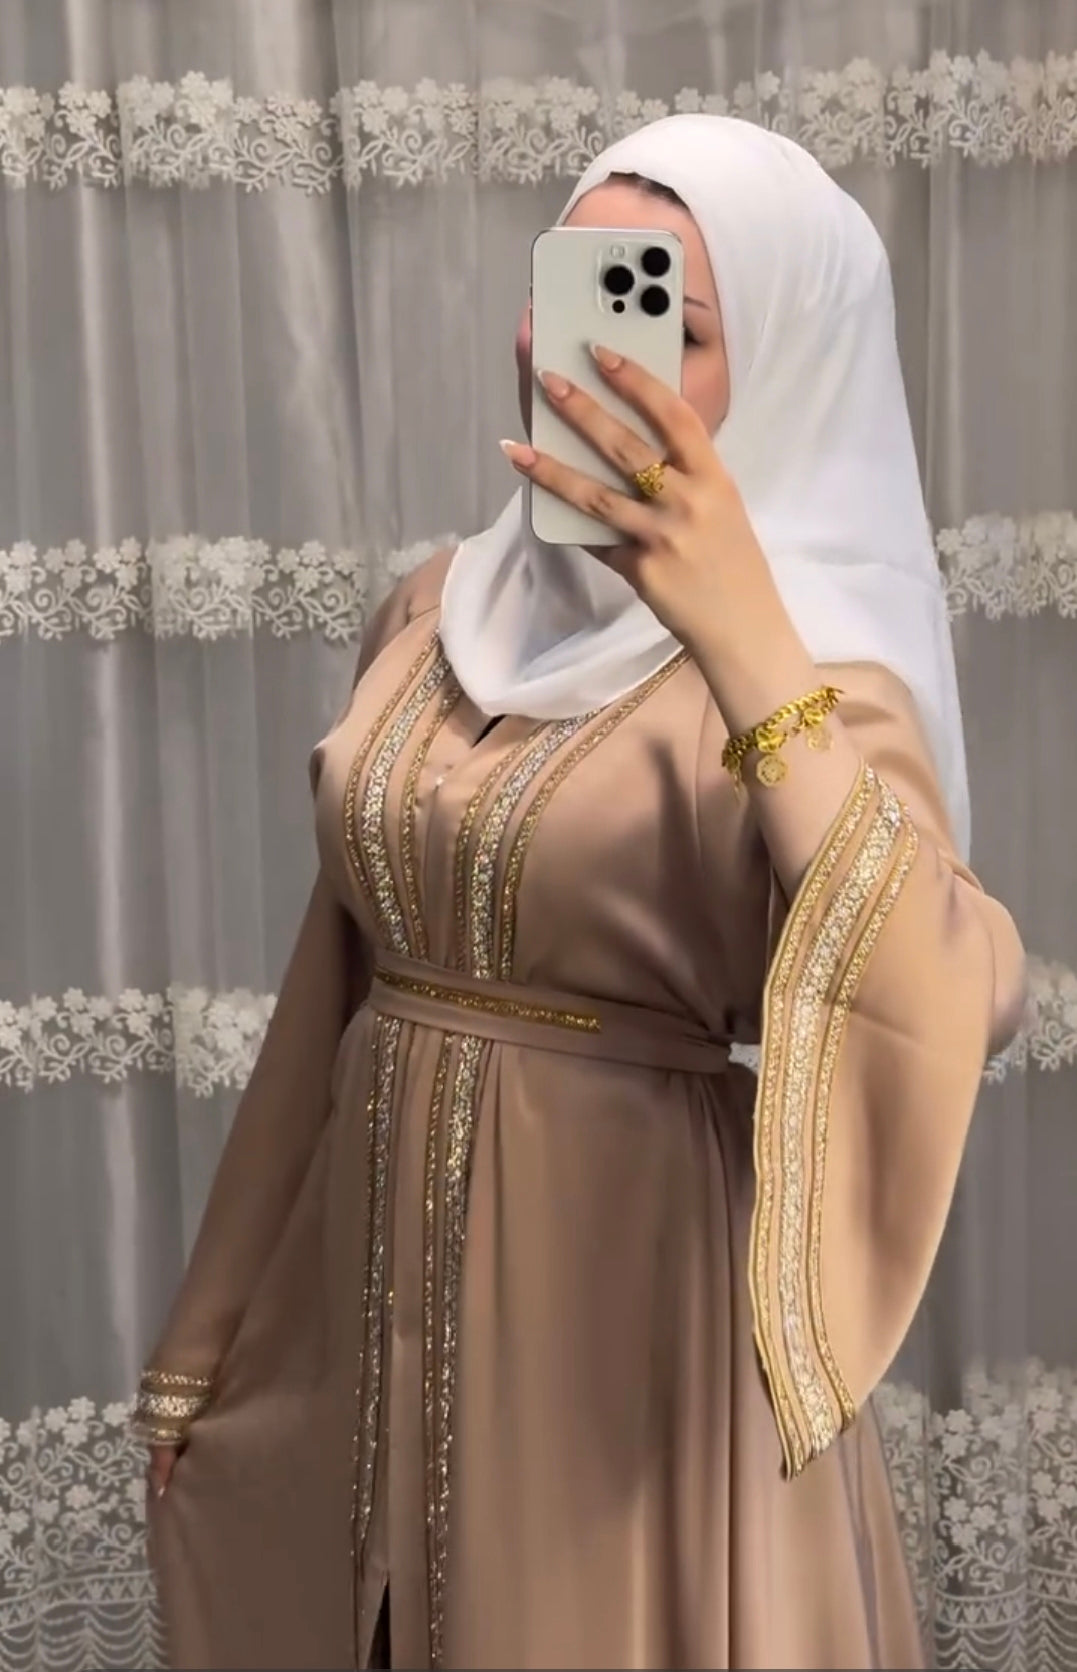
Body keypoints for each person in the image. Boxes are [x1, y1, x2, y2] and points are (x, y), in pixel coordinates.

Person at [136, 115, 1026, 1671]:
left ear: (785, 372)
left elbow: (955, 988)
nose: (592, 355)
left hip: (625, 1342)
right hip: (364, 1305)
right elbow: (327, 992)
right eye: (572, 287)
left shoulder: (814, 682)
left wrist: (744, 643)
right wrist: (204, 1342)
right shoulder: (430, 614)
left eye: (671, 321)